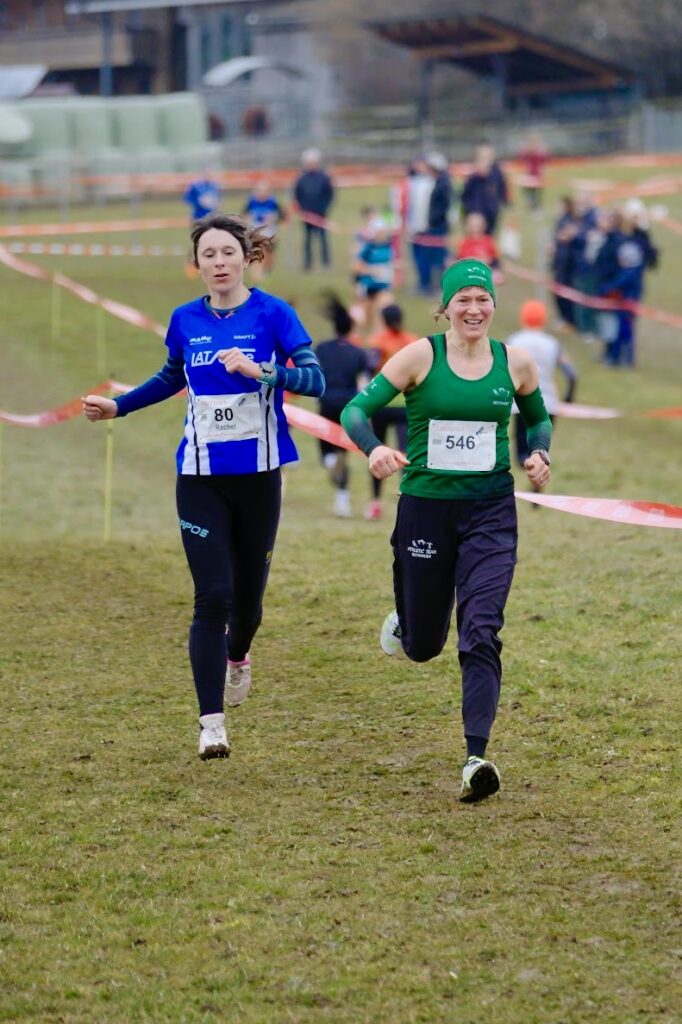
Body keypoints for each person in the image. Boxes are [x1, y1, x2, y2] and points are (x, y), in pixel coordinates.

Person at [82, 213, 325, 762]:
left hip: (259, 478)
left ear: (247, 257)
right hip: (199, 478)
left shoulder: (274, 314)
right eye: (208, 254)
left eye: (227, 252)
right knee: (212, 596)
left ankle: (239, 655)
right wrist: (119, 406)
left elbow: (316, 380)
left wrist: (263, 371)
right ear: (197, 264)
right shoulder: (184, 319)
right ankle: (211, 724)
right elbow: (172, 375)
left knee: (249, 607)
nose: (218, 262)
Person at [341, 258, 552, 803]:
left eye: (483, 300)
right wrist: (374, 448)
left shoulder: (515, 362)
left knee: (481, 629)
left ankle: (476, 757)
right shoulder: (420, 356)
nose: (474, 309)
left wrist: (538, 452)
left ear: (493, 305)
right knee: (423, 647)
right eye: (464, 300)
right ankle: (408, 620)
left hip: (490, 513)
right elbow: (355, 411)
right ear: (446, 307)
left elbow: (537, 417)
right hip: (427, 512)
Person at [506, 299, 577, 474]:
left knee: (522, 454)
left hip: (520, 404)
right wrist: (568, 397)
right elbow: (572, 374)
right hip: (548, 403)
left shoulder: (513, 341)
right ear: (543, 319)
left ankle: (528, 471)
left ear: (523, 318)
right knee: (541, 451)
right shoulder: (553, 343)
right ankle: (538, 478)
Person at [315, 293, 369, 518]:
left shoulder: (322, 349)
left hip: (327, 403)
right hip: (348, 406)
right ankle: (342, 500)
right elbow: (363, 383)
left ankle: (330, 463)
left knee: (326, 451)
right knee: (343, 453)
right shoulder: (358, 353)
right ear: (350, 328)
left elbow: (315, 374)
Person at [363, 304, 418, 521]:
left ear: (384, 320)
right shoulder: (412, 341)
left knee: (377, 453)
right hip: (405, 405)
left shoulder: (378, 341)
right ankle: (408, 498)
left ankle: (375, 502)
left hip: (382, 405)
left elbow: (370, 367)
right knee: (405, 454)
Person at [352, 216, 396, 336]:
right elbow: (356, 267)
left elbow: (391, 264)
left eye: (383, 231)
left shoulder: (389, 247)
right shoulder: (368, 248)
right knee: (365, 322)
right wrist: (371, 270)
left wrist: (395, 269)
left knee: (381, 317)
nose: (381, 234)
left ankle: (376, 342)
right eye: (378, 231)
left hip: (383, 288)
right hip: (367, 287)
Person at [293, 148, 335, 271]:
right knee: (307, 239)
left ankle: (326, 262)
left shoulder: (324, 177)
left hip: (321, 213)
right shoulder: (301, 178)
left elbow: (329, 194)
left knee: (323, 239)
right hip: (306, 215)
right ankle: (307, 263)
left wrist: (324, 208)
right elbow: (297, 194)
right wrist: (302, 209)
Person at [460, 144, 509, 236]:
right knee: (474, 238)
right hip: (475, 214)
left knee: (488, 237)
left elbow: (502, 190)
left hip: (491, 213)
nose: (485, 161)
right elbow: (465, 195)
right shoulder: (472, 177)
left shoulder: (497, 174)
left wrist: (504, 202)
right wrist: (469, 212)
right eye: (482, 158)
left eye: (488, 157)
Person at [242, 179, 285, 278]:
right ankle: (257, 272)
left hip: (270, 231)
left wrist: (275, 220)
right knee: (257, 251)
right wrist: (247, 221)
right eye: (260, 191)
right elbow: (245, 214)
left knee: (269, 253)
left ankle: (267, 269)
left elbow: (281, 216)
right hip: (256, 231)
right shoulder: (252, 201)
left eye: (264, 191)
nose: (262, 193)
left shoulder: (272, 202)